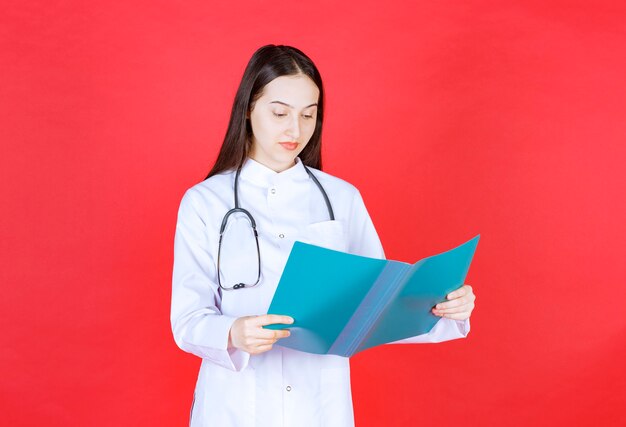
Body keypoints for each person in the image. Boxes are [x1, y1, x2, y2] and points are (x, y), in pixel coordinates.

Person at [171, 44, 476, 427]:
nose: (294, 130)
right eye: (279, 113)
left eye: (308, 115)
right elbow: (187, 320)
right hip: (234, 407)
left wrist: (445, 307)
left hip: (319, 409)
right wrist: (232, 331)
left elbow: (379, 307)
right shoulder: (204, 202)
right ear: (248, 108)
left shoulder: (342, 198)